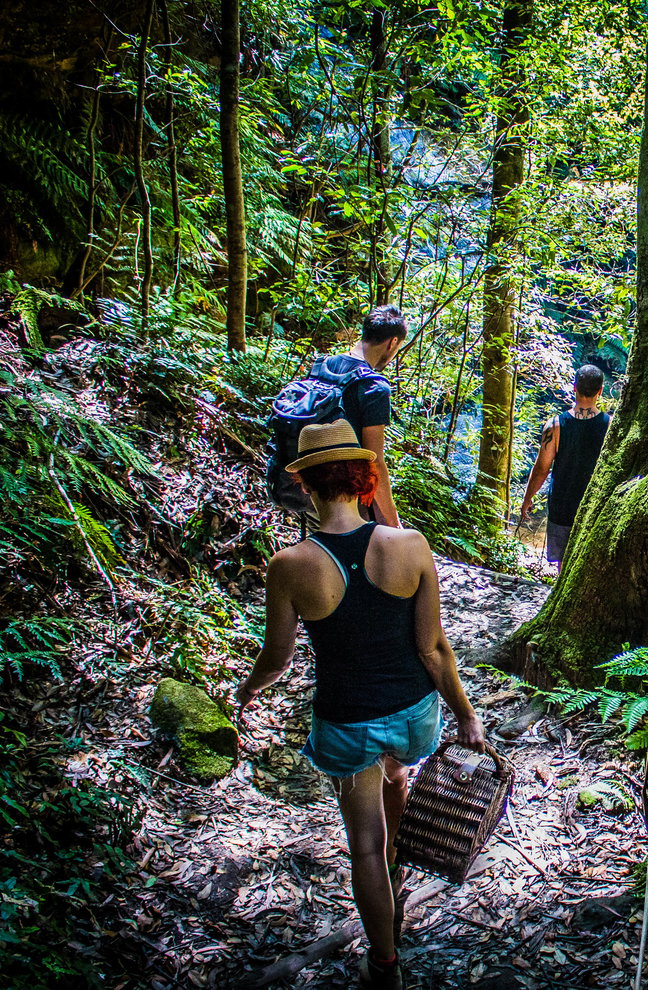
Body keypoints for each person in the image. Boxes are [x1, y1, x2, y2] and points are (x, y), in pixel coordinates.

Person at [235, 419, 484, 990]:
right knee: (396, 776)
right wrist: (466, 716)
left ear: (306, 486)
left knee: (364, 847)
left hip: (347, 723)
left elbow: (277, 660)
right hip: (414, 716)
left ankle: (384, 964)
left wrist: (248, 691)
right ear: (364, 481)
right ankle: (396, 871)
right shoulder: (410, 546)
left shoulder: (290, 566)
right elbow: (433, 649)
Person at [309, 304, 407, 528]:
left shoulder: (323, 366)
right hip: (345, 499)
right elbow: (374, 462)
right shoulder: (374, 387)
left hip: (309, 487)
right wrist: (394, 523)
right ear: (392, 342)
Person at [520, 364, 611, 566]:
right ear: (600, 391)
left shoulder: (555, 425)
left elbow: (542, 468)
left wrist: (528, 498)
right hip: (594, 507)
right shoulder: (610, 426)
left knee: (563, 564)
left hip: (563, 506)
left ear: (574, 388)